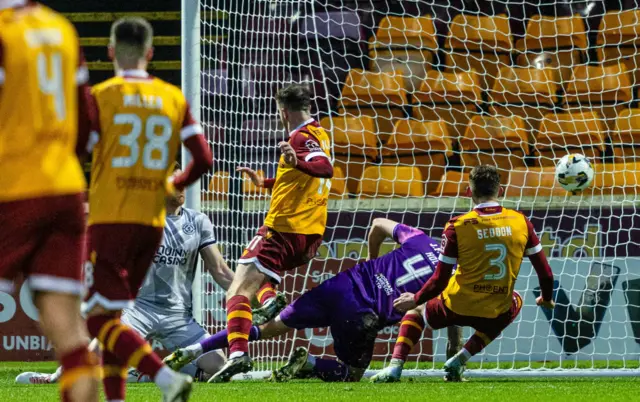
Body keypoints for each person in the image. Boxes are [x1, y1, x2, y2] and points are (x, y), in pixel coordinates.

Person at [82, 17, 212, 402]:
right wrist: (171, 186)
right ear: (151, 53)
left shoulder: (100, 96)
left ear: (110, 52)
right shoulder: (172, 97)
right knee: (114, 321)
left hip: (110, 221)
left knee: (97, 320)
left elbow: (77, 151)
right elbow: (204, 159)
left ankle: (165, 379)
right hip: (152, 224)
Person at [166, 218, 460, 383]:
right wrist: (454, 350)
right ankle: (310, 363)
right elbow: (444, 313)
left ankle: (193, 349)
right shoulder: (452, 274)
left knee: (269, 327)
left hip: (341, 284)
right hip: (361, 312)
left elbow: (378, 224)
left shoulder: (421, 238)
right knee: (353, 373)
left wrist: (372, 260)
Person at [16, 166, 232, 385]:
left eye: (183, 182)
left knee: (217, 365)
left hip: (178, 316)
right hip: (139, 309)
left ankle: (150, 372)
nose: (182, 188)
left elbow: (220, 270)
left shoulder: (198, 222)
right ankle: (54, 378)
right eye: (175, 182)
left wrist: (244, 293)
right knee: (100, 353)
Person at [0, 1, 100, 401]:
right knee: (69, 329)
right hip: (65, 188)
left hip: (14, 189)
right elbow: (87, 126)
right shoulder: (61, 29)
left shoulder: (4, 32)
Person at [204, 83, 333, 382]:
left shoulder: (301, 137)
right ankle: (269, 300)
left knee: (237, 291)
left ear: (283, 111)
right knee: (257, 277)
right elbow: (301, 176)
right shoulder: (320, 133)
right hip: (309, 236)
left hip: (284, 229)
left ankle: (237, 353)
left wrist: (295, 160)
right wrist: (265, 182)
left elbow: (323, 168)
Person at [393, 165, 556, 381]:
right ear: (501, 191)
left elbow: (440, 279)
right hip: (494, 309)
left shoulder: (456, 226)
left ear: (468, 192)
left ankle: (395, 366)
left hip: (456, 306)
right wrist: (546, 298)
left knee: (417, 311)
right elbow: (545, 273)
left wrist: (415, 299)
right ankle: (462, 356)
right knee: (515, 301)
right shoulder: (521, 222)